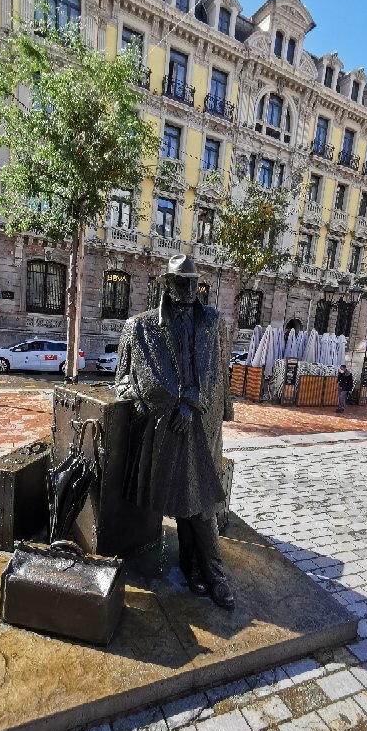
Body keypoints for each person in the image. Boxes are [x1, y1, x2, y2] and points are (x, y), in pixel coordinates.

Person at [115, 254, 235, 609]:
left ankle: (214, 574)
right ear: (165, 283)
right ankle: (191, 565)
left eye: (193, 282)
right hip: (165, 429)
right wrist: (143, 400)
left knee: (203, 504)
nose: (187, 289)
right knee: (187, 498)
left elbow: (217, 373)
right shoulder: (140, 327)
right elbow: (121, 380)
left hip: (200, 425)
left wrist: (193, 401)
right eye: (179, 282)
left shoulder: (213, 322)